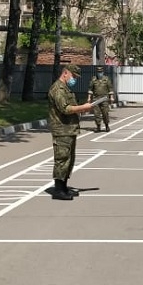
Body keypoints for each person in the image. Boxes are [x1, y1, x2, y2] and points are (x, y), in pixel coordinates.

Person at [49, 65, 93, 200]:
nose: (74, 79)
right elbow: (65, 109)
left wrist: (82, 109)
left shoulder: (66, 89)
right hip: (62, 129)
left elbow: (71, 108)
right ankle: (58, 189)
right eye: (73, 76)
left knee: (69, 159)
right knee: (62, 159)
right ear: (65, 73)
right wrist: (82, 107)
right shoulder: (57, 89)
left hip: (69, 128)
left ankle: (64, 187)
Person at [88, 66, 115, 132]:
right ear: (97, 72)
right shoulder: (94, 79)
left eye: (101, 72)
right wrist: (89, 98)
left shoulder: (106, 79)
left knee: (105, 113)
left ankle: (106, 126)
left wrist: (111, 97)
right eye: (98, 72)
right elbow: (90, 89)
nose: (99, 73)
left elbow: (110, 89)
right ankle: (98, 126)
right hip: (96, 99)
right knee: (96, 114)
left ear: (103, 72)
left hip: (104, 98)